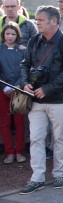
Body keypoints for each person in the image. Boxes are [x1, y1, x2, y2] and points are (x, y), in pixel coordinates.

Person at [19, 5, 63, 194]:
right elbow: (24, 64)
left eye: (40, 20)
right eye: (36, 20)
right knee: (36, 138)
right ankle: (37, 178)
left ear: (54, 21)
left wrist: (48, 89)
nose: (36, 23)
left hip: (59, 100)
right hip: (36, 99)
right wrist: (25, 83)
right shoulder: (34, 40)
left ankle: (59, 174)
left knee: (59, 139)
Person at [0, 22, 26, 164]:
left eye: (13, 34)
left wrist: (16, 87)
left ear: (17, 35)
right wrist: (4, 87)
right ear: (3, 34)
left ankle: (19, 152)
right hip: (2, 90)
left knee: (19, 121)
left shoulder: (22, 51)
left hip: (19, 90)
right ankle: (9, 152)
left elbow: (25, 70)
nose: (10, 36)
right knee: (4, 122)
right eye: (7, 34)